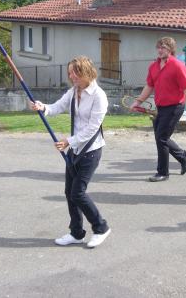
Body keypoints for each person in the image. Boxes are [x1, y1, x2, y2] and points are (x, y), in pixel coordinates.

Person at [30, 56, 111, 248]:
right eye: (69, 73)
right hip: (75, 149)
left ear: (86, 71)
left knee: (78, 193)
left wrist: (69, 141)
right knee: (69, 192)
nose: (71, 76)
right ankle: (76, 233)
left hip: (91, 150)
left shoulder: (99, 96)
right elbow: (58, 106)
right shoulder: (74, 92)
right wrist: (43, 107)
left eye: (75, 72)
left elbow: (93, 127)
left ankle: (101, 227)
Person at [131, 37, 186, 182]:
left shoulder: (178, 66)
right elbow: (149, 86)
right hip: (160, 107)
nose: (160, 50)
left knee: (161, 138)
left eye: (163, 47)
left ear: (170, 49)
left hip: (175, 106)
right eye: (159, 47)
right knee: (161, 138)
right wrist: (138, 101)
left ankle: (163, 172)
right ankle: (182, 156)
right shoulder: (153, 66)